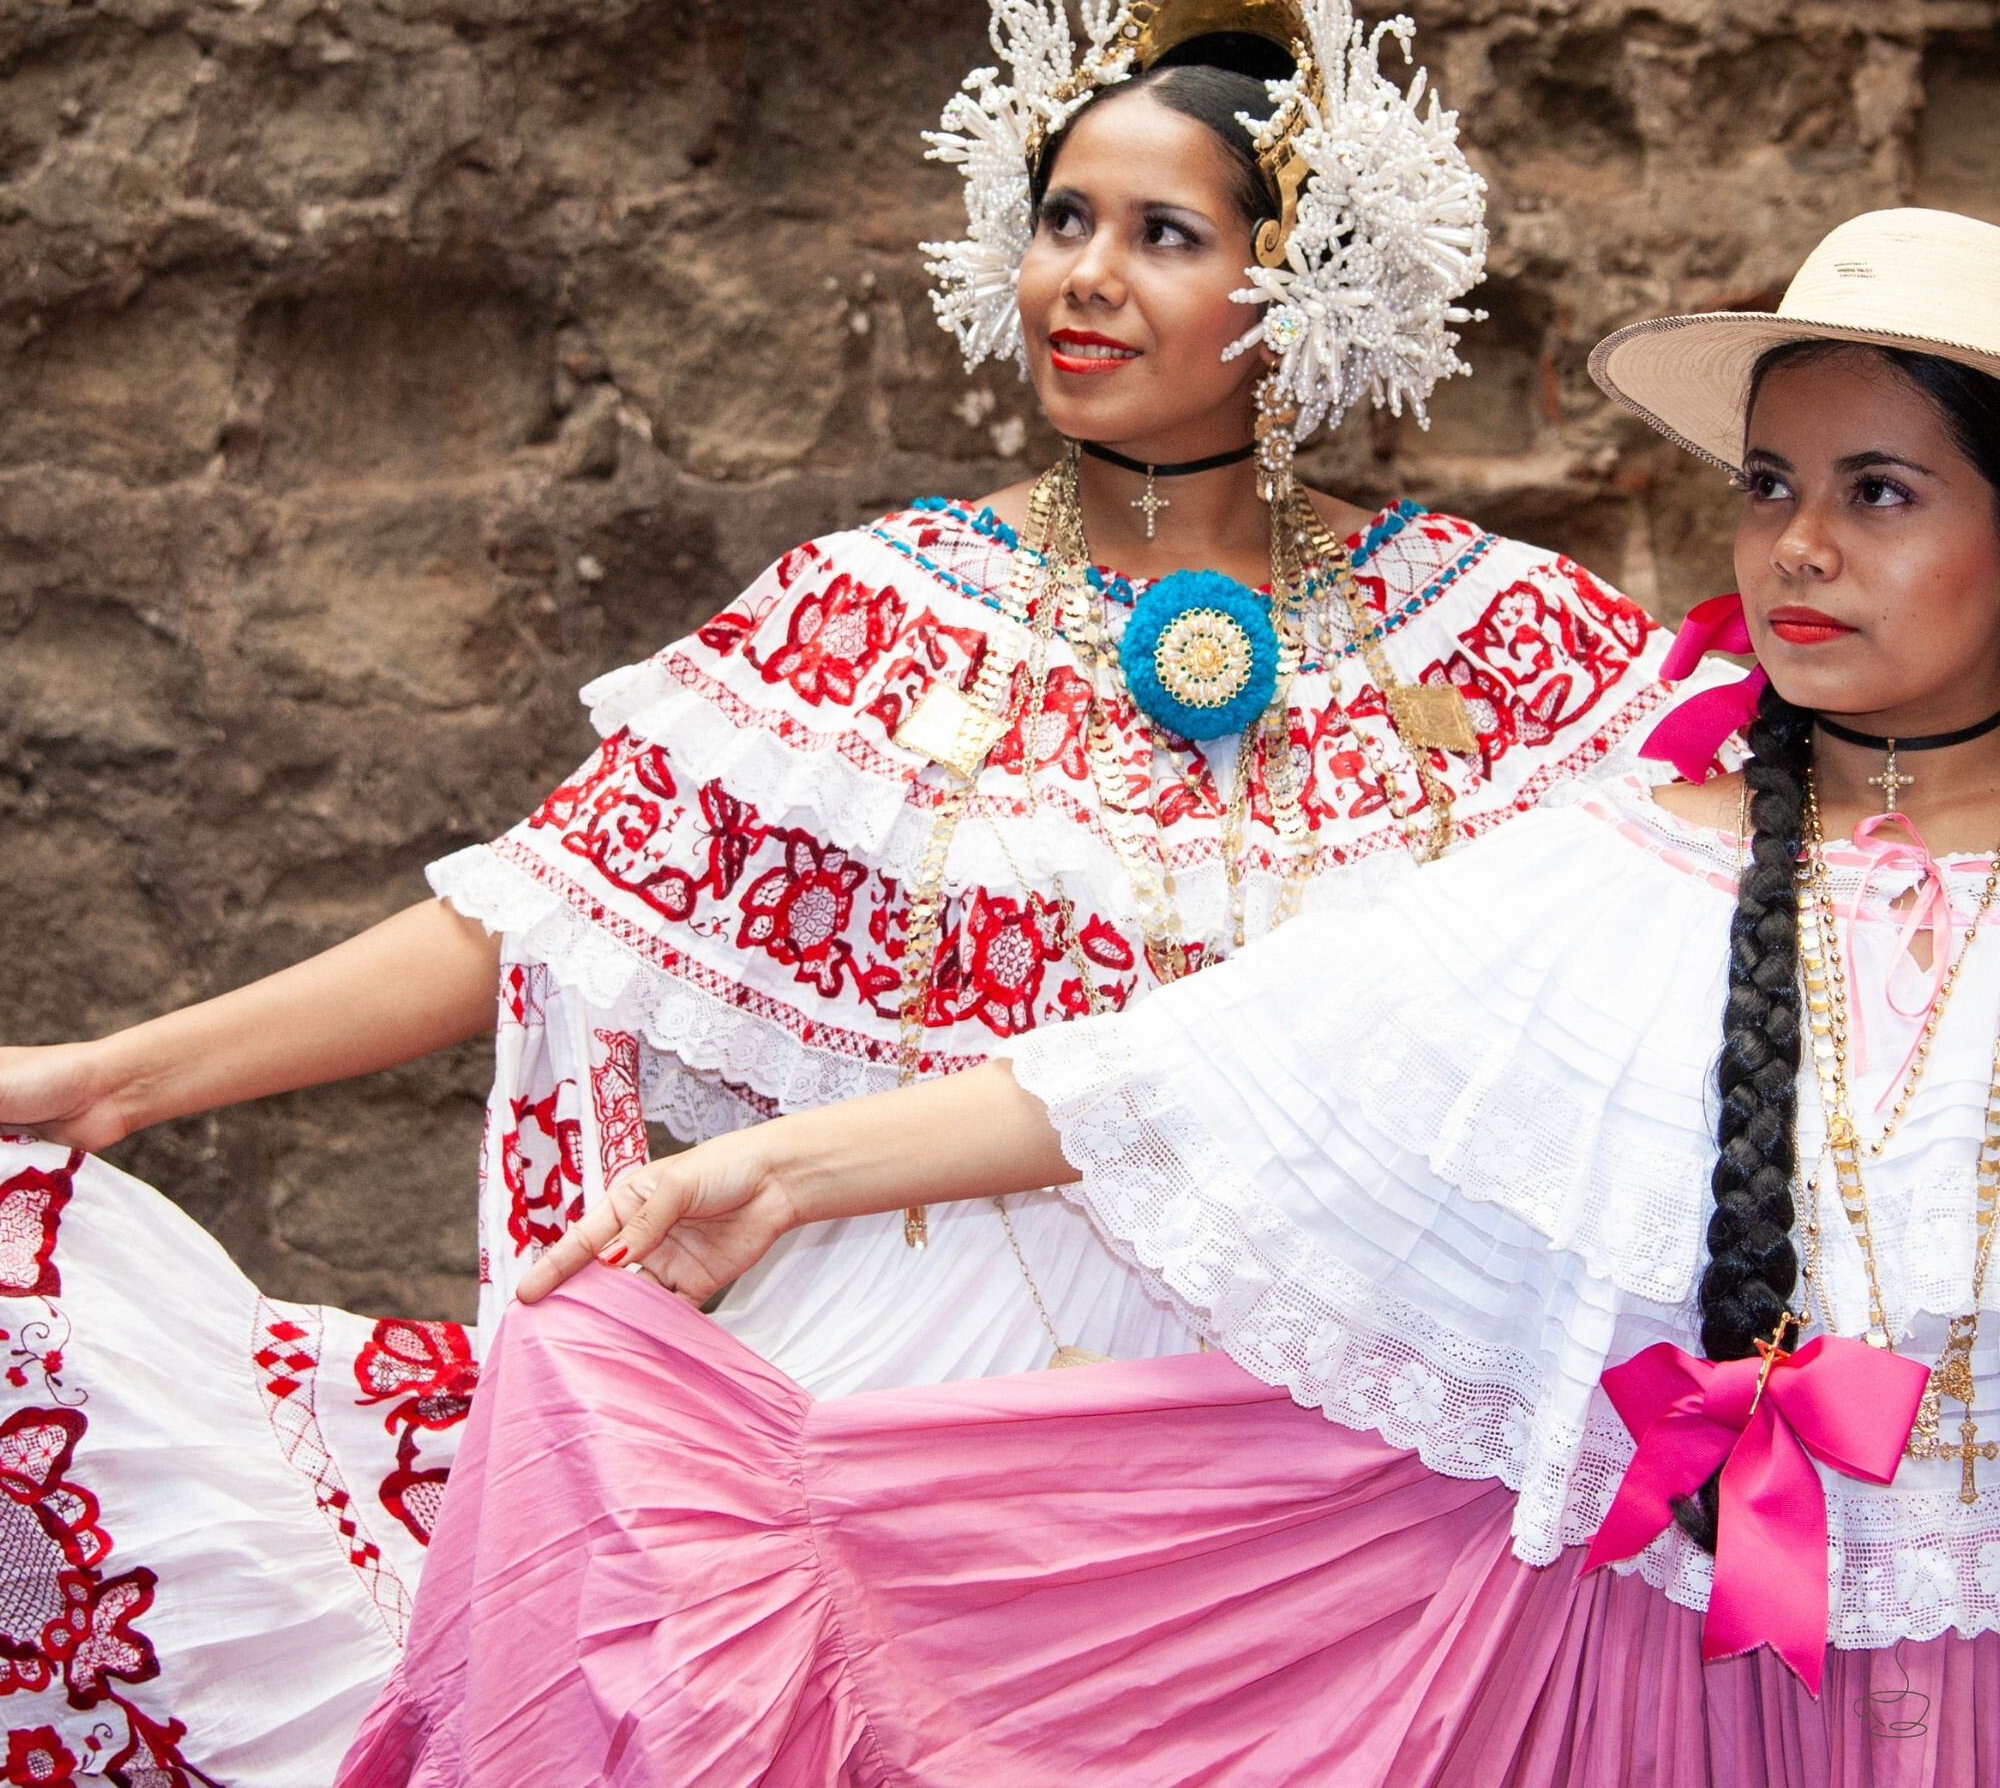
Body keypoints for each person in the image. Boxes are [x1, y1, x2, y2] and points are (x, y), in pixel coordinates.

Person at [0, 0, 1692, 1781]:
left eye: (1164, 235)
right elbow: (553, 913)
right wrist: (117, 1078)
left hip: (1325, 1467)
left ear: (1308, 293)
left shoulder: (1518, 649)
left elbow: (1725, 950)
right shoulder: (874, 612)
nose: (1085, 277)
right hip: (911, 1379)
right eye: (1060, 218)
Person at [340, 206, 2000, 1787]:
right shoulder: (1621, 867)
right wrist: (766, 1175)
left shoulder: (1508, 654)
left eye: (1882, 493)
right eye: (1773, 482)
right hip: (1645, 1690)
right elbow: (1203, 1070)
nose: (1800, 546)